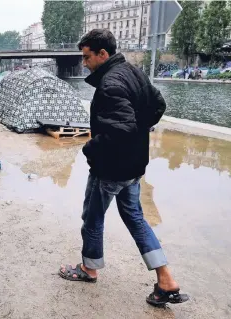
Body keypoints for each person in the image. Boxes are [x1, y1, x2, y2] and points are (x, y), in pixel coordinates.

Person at [58, 29, 189, 307]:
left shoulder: (110, 84)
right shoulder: (134, 72)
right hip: (133, 166)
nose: (84, 63)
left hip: (111, 169)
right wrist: (140, 133)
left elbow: (121, 130)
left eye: (87, 57)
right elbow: (158, 104)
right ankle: (166, 279)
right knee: (135, 218)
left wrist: (90, 148)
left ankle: (89, 269)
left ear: (102, 54)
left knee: (92, 217)